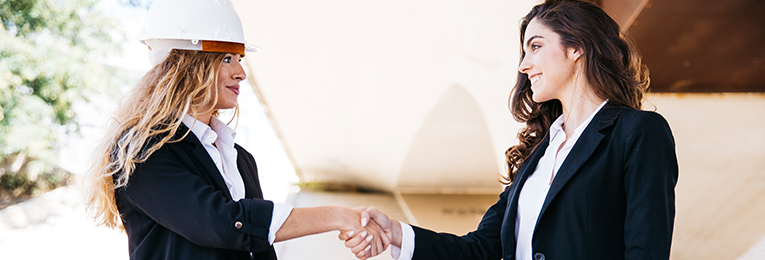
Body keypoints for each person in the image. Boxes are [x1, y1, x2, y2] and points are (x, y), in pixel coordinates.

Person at [341, 0, 678, 259]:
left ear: (576, 48)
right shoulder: (540, 154)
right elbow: (479, 249)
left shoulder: (638, 132)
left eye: (535, 46)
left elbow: (645, 250)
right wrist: (397, 232)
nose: (523, 65)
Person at [82, 0, 387, 259]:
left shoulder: (241, 159)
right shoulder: (142, 151)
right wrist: (337, 216)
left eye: (239, 59)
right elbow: (222, 224)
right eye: (226, 58)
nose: (241, 72)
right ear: (185, 64)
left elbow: (258, 247)